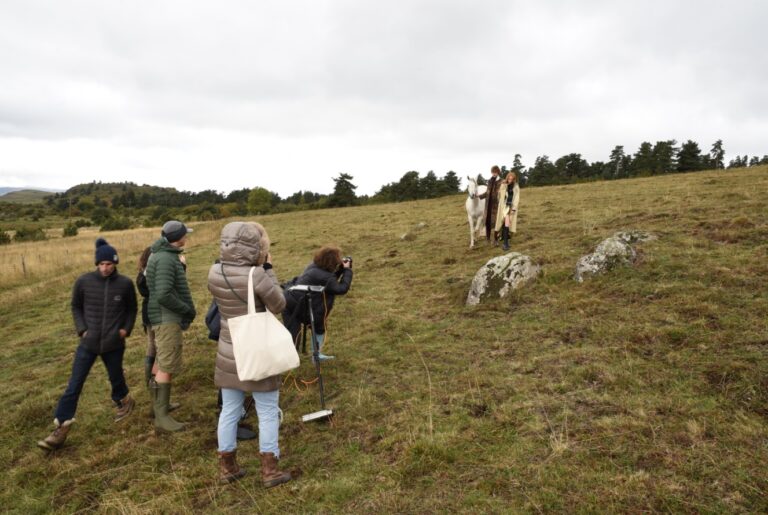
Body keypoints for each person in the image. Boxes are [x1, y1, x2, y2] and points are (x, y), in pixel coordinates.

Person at [207, 221, 291, 487]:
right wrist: (268, 268)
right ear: (255, 247)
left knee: (230, 410)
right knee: (267, 410)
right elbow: (279, 304)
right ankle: (270, 469)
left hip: (228, 350)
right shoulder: (257, 275)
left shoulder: (214, 271)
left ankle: (227, 467)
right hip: (255, 350)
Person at [37, 238, 137, 451]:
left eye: (109, 264)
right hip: (88, 343)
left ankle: (124, 399)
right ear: (96, 264)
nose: (105, 268)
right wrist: (82, 329)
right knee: (74, 385)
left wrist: (125, 329)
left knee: (115, 377)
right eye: (101, 264)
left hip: (113, 343)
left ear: (115, 263)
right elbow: (75, 306)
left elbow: (131, 310)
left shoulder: (125, 284)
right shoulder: (84, 282)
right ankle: (61, 428)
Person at [146, 220, 196, 433]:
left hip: (163, 317)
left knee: (161, 360)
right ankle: (161, 417)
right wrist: (185, 309)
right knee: (167, 364)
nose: (187, 237)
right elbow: (164, 293)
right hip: (167, 318)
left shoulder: (161, 255)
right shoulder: (166, 259)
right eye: (185, 234)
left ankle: (160, 407)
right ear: (179, 237)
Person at [283, 245, 353, 362]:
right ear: (331, 261)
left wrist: (340, 269)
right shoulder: (326, 276)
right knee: (317, 327)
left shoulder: (314, 266)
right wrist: (347, 270)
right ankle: (315, 356)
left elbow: (329, 280)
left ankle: (290, 361)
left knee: (294, 334)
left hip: (289, 301)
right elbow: (341, 288)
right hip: (300, 306)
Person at [137, 246, 181, 417]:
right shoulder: (153, 275)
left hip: (149, 314)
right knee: (159, 354)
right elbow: (168, 289)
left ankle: (157, 401)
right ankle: (158, 403)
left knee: (152, 350)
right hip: (158, 315)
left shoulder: (143, 274)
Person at [495, 171, 520, 251]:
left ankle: (505, 242)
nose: (510, 180)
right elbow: (499, 196)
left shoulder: (516, 187)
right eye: (509, 178)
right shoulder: (503, 185)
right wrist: (502, 186)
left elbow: (516, 198)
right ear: (507, 178)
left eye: (511, 179)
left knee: (506, 225)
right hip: (503, 208)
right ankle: (505, 243)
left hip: (510, 208)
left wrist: (514, 208)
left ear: (514, 179)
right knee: (504, 225)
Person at [479, 165, 502, 245]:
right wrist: (479, 196)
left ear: (498, 172)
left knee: (496, 223)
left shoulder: (501, 181)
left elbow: (500, 193)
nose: (494, 174)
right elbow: (487, 192)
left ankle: (496, 240)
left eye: (495, 172)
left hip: (496, 205)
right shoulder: (489, 181)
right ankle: (487, 239)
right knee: (487, 222)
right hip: (488, 205)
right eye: (493, 172)